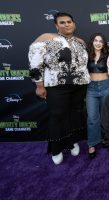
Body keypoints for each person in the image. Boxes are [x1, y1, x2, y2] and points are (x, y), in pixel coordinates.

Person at [28, 12, 90, 165]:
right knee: (57, 116)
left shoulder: (80, 42)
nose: (66, 24)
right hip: (57, 86)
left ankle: (72, 141)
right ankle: (56, 148)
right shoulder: (46, 38)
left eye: (69, 21)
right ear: (56, 25)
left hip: (79, 85)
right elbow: (35, 63)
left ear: (74, 24)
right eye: (62, 22)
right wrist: (39, 85)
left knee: (75, 114)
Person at [86, 33, 109, 158]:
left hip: (106, 86)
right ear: (92, 42)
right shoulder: (86, 55)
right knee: (92, 117)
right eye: (96, 40)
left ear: (103, 43)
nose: (98, 43)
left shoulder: (108, 55)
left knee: (105, 116)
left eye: (101, 41)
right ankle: (92, 143)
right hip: (91, 89)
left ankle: (106, 138)